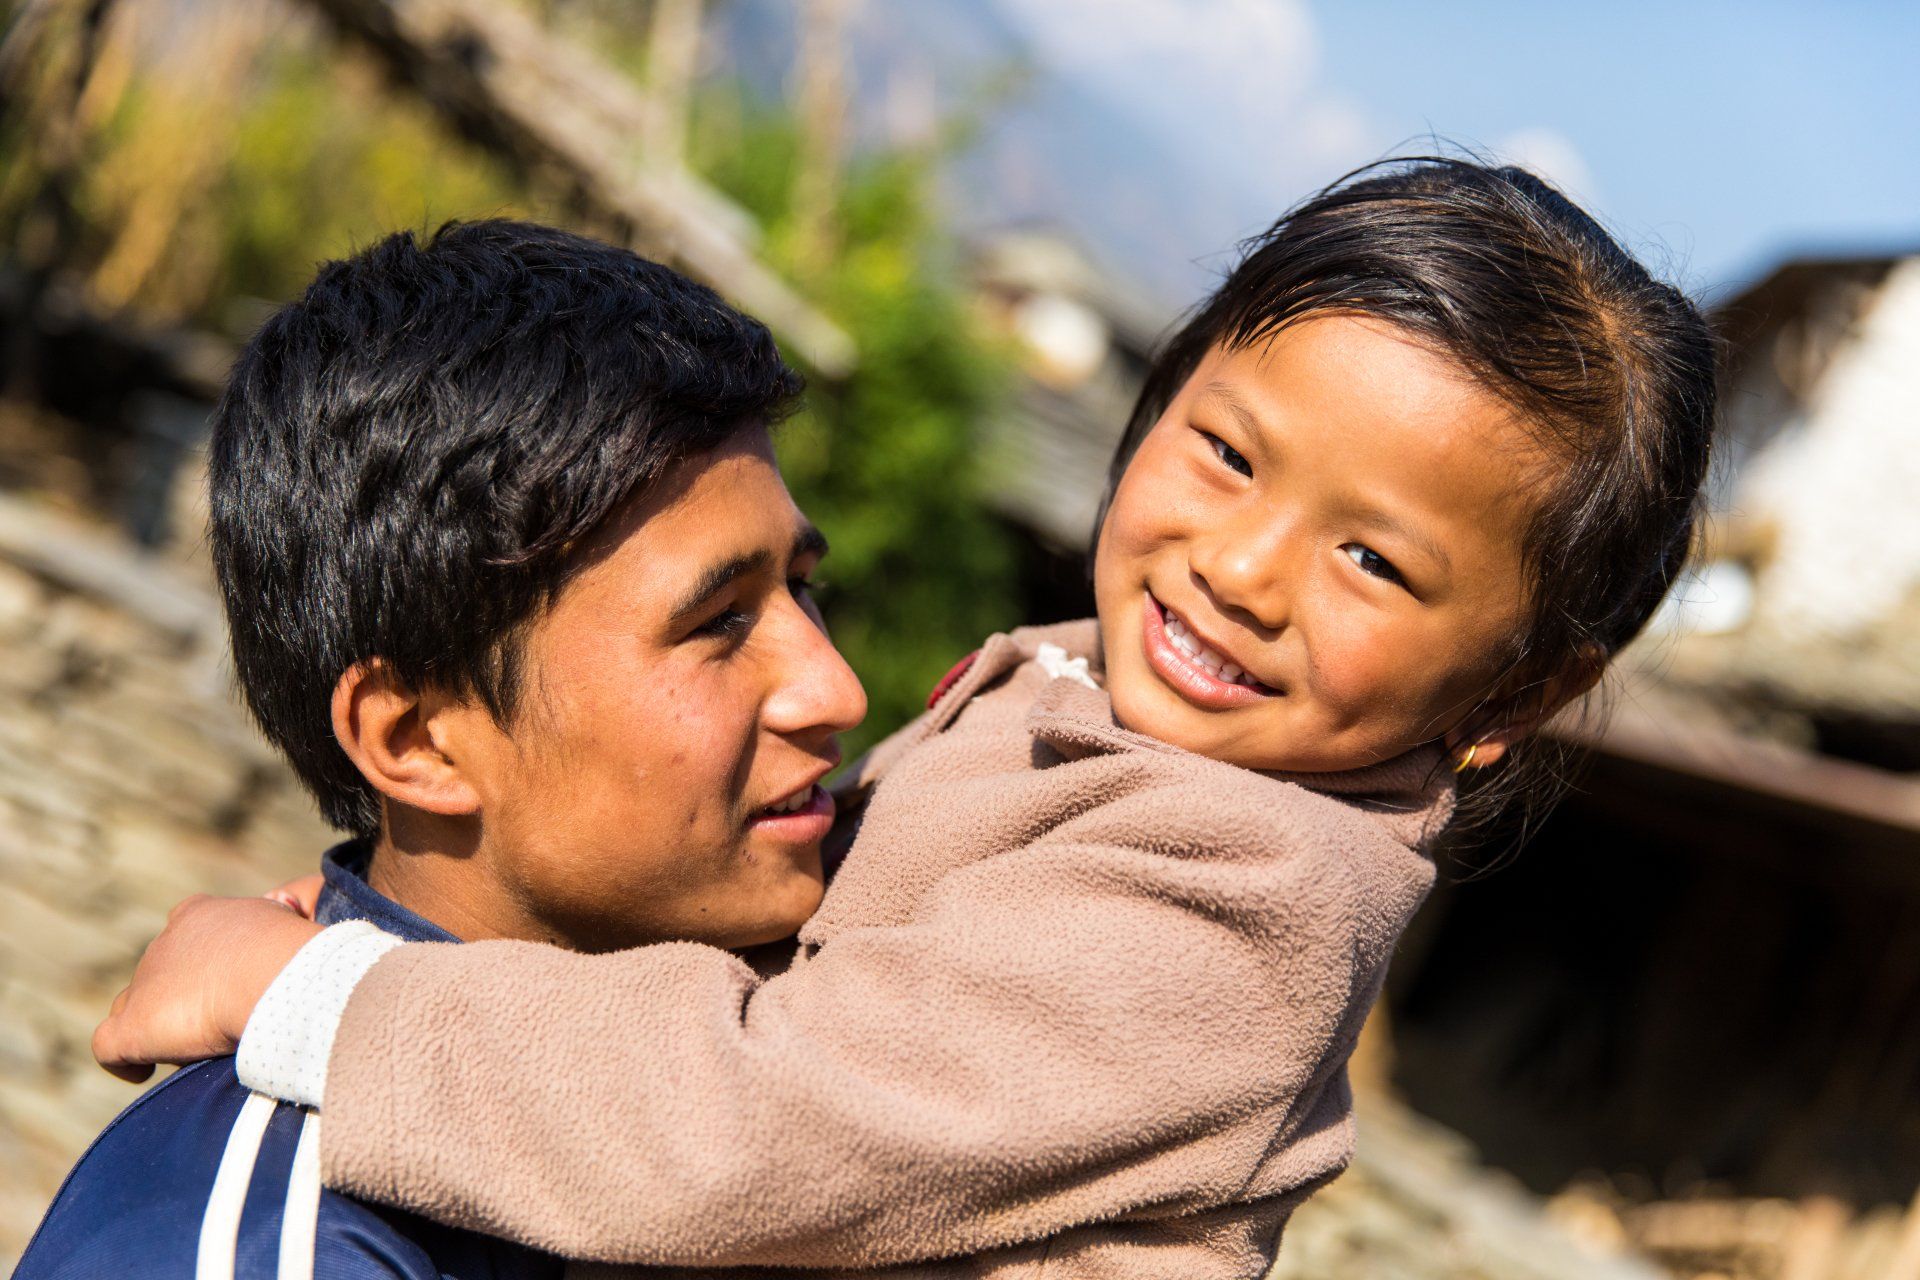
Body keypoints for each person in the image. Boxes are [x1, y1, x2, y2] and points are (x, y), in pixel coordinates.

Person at [92, 159, 1719, 1280]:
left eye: (1372, 558)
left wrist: (334, 995)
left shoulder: (1229, 896)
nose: (1242, 568)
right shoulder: (1086, 701)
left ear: (1515, 690)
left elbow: (758, 1118)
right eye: (1225, 455)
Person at [16, 220, 865, 1278]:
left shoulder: (744, 1091)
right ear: (417, 740)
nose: (836, 687)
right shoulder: (299, 1237)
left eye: (803, 589)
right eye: (717, 623)